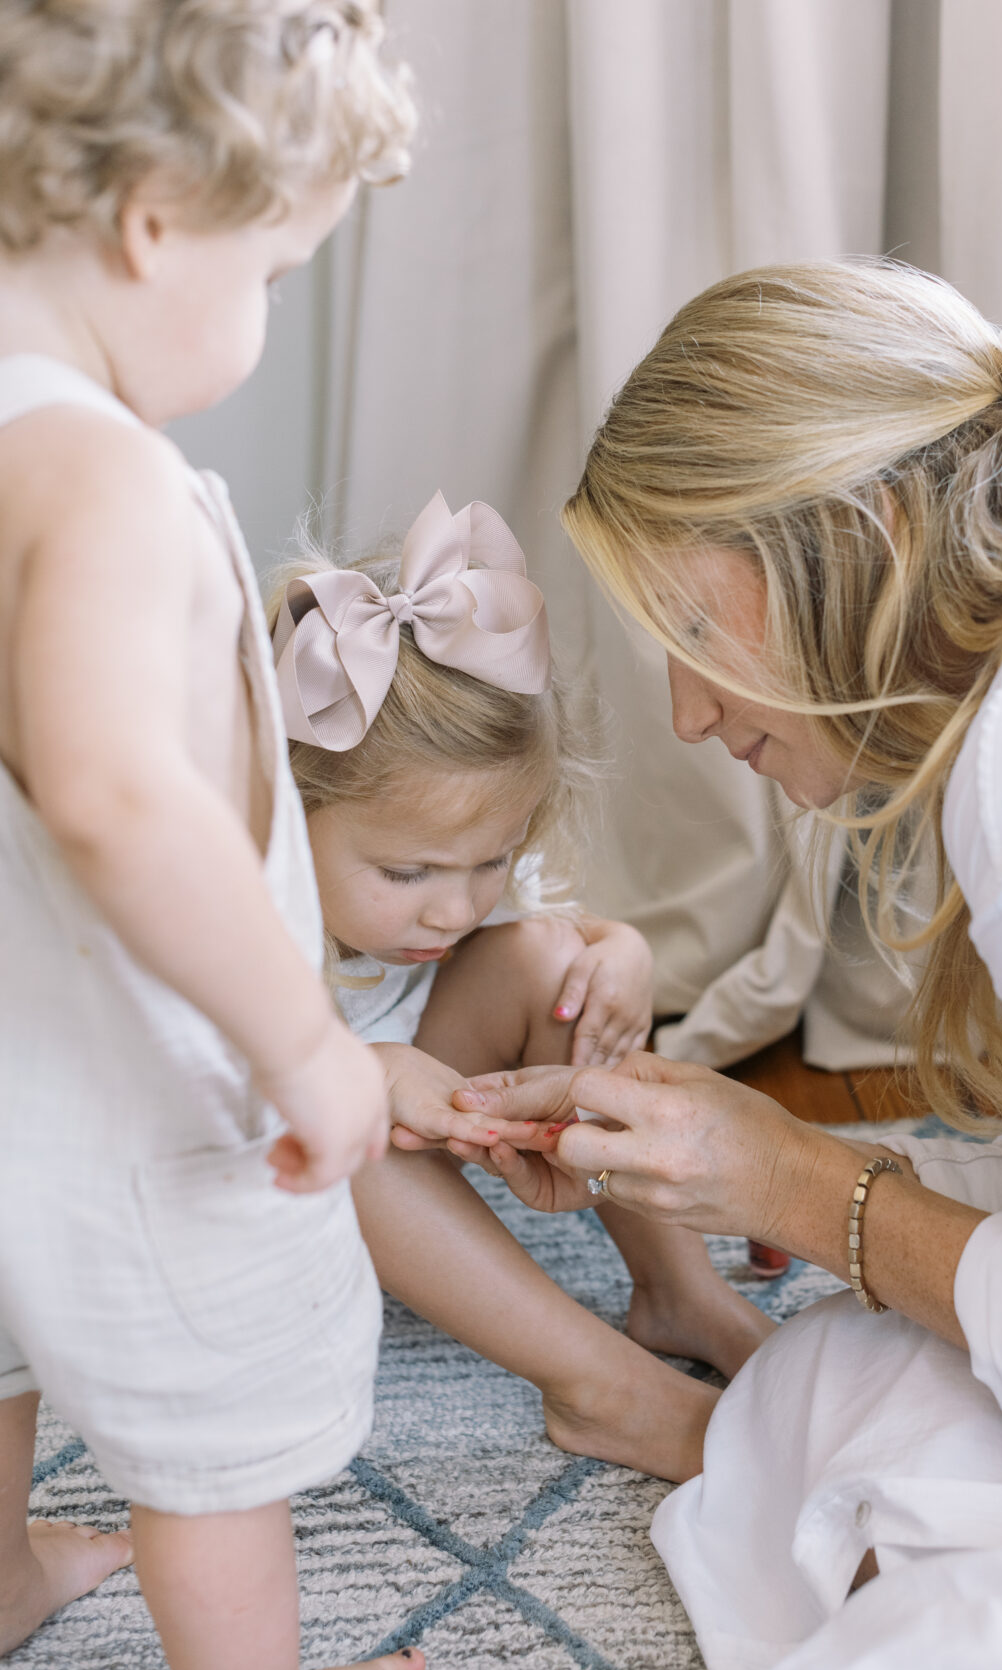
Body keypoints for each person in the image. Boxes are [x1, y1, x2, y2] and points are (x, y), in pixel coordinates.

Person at [449, 263, 1002, 1670]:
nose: (689, 713)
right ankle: (733, 1447)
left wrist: (799, 1183)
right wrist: (818, 1178)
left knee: (991, 1612)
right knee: (835, 1362)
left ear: (862, 535)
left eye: (694, 637)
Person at [0, 4, 438, 1668]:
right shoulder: (96, 481)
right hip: (143, 1089)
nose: (264, 315)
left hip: (12, 1054)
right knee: (213, 1451)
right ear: (152, 219)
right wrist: (306, 1038)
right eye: (269, 276)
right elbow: (112, 792)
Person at [265, 493, 773, 1483]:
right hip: (281, 1207)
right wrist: (372, 1069)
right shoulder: (236, 908)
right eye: (407, 874)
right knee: (347, 1102)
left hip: (428, 1125)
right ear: (288, 812)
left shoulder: (456, 897)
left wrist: (617, 948)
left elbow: (546, 936)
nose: (453, 909)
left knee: (552, 963)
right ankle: (604, 1389)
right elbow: (225, 1106)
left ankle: (675, 1289)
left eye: (489, 859)